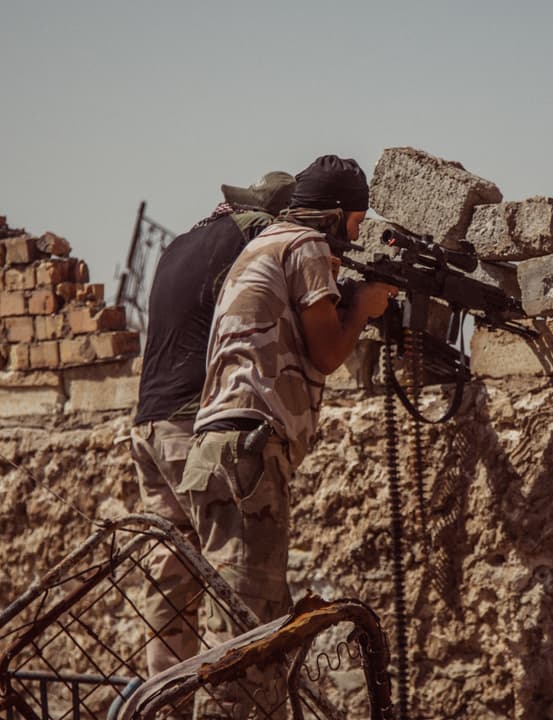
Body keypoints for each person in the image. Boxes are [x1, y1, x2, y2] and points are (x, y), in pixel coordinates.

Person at [177, 155, 395, 715]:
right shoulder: (304, 245)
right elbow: (326, 353)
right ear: (334, 215)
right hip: (246, 454)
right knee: (244, 644)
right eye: (355, 223)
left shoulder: (266, 243)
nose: (356, 236)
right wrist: (366, 307)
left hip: (223, 453)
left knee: (260, 629)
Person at [130, 170, 296, 679]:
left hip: (148, 425)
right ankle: (231, 701)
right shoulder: (255, 247)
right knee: (237, 576)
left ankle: (166, 697)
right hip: (195, 427)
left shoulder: (182, 244)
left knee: (171, 574)